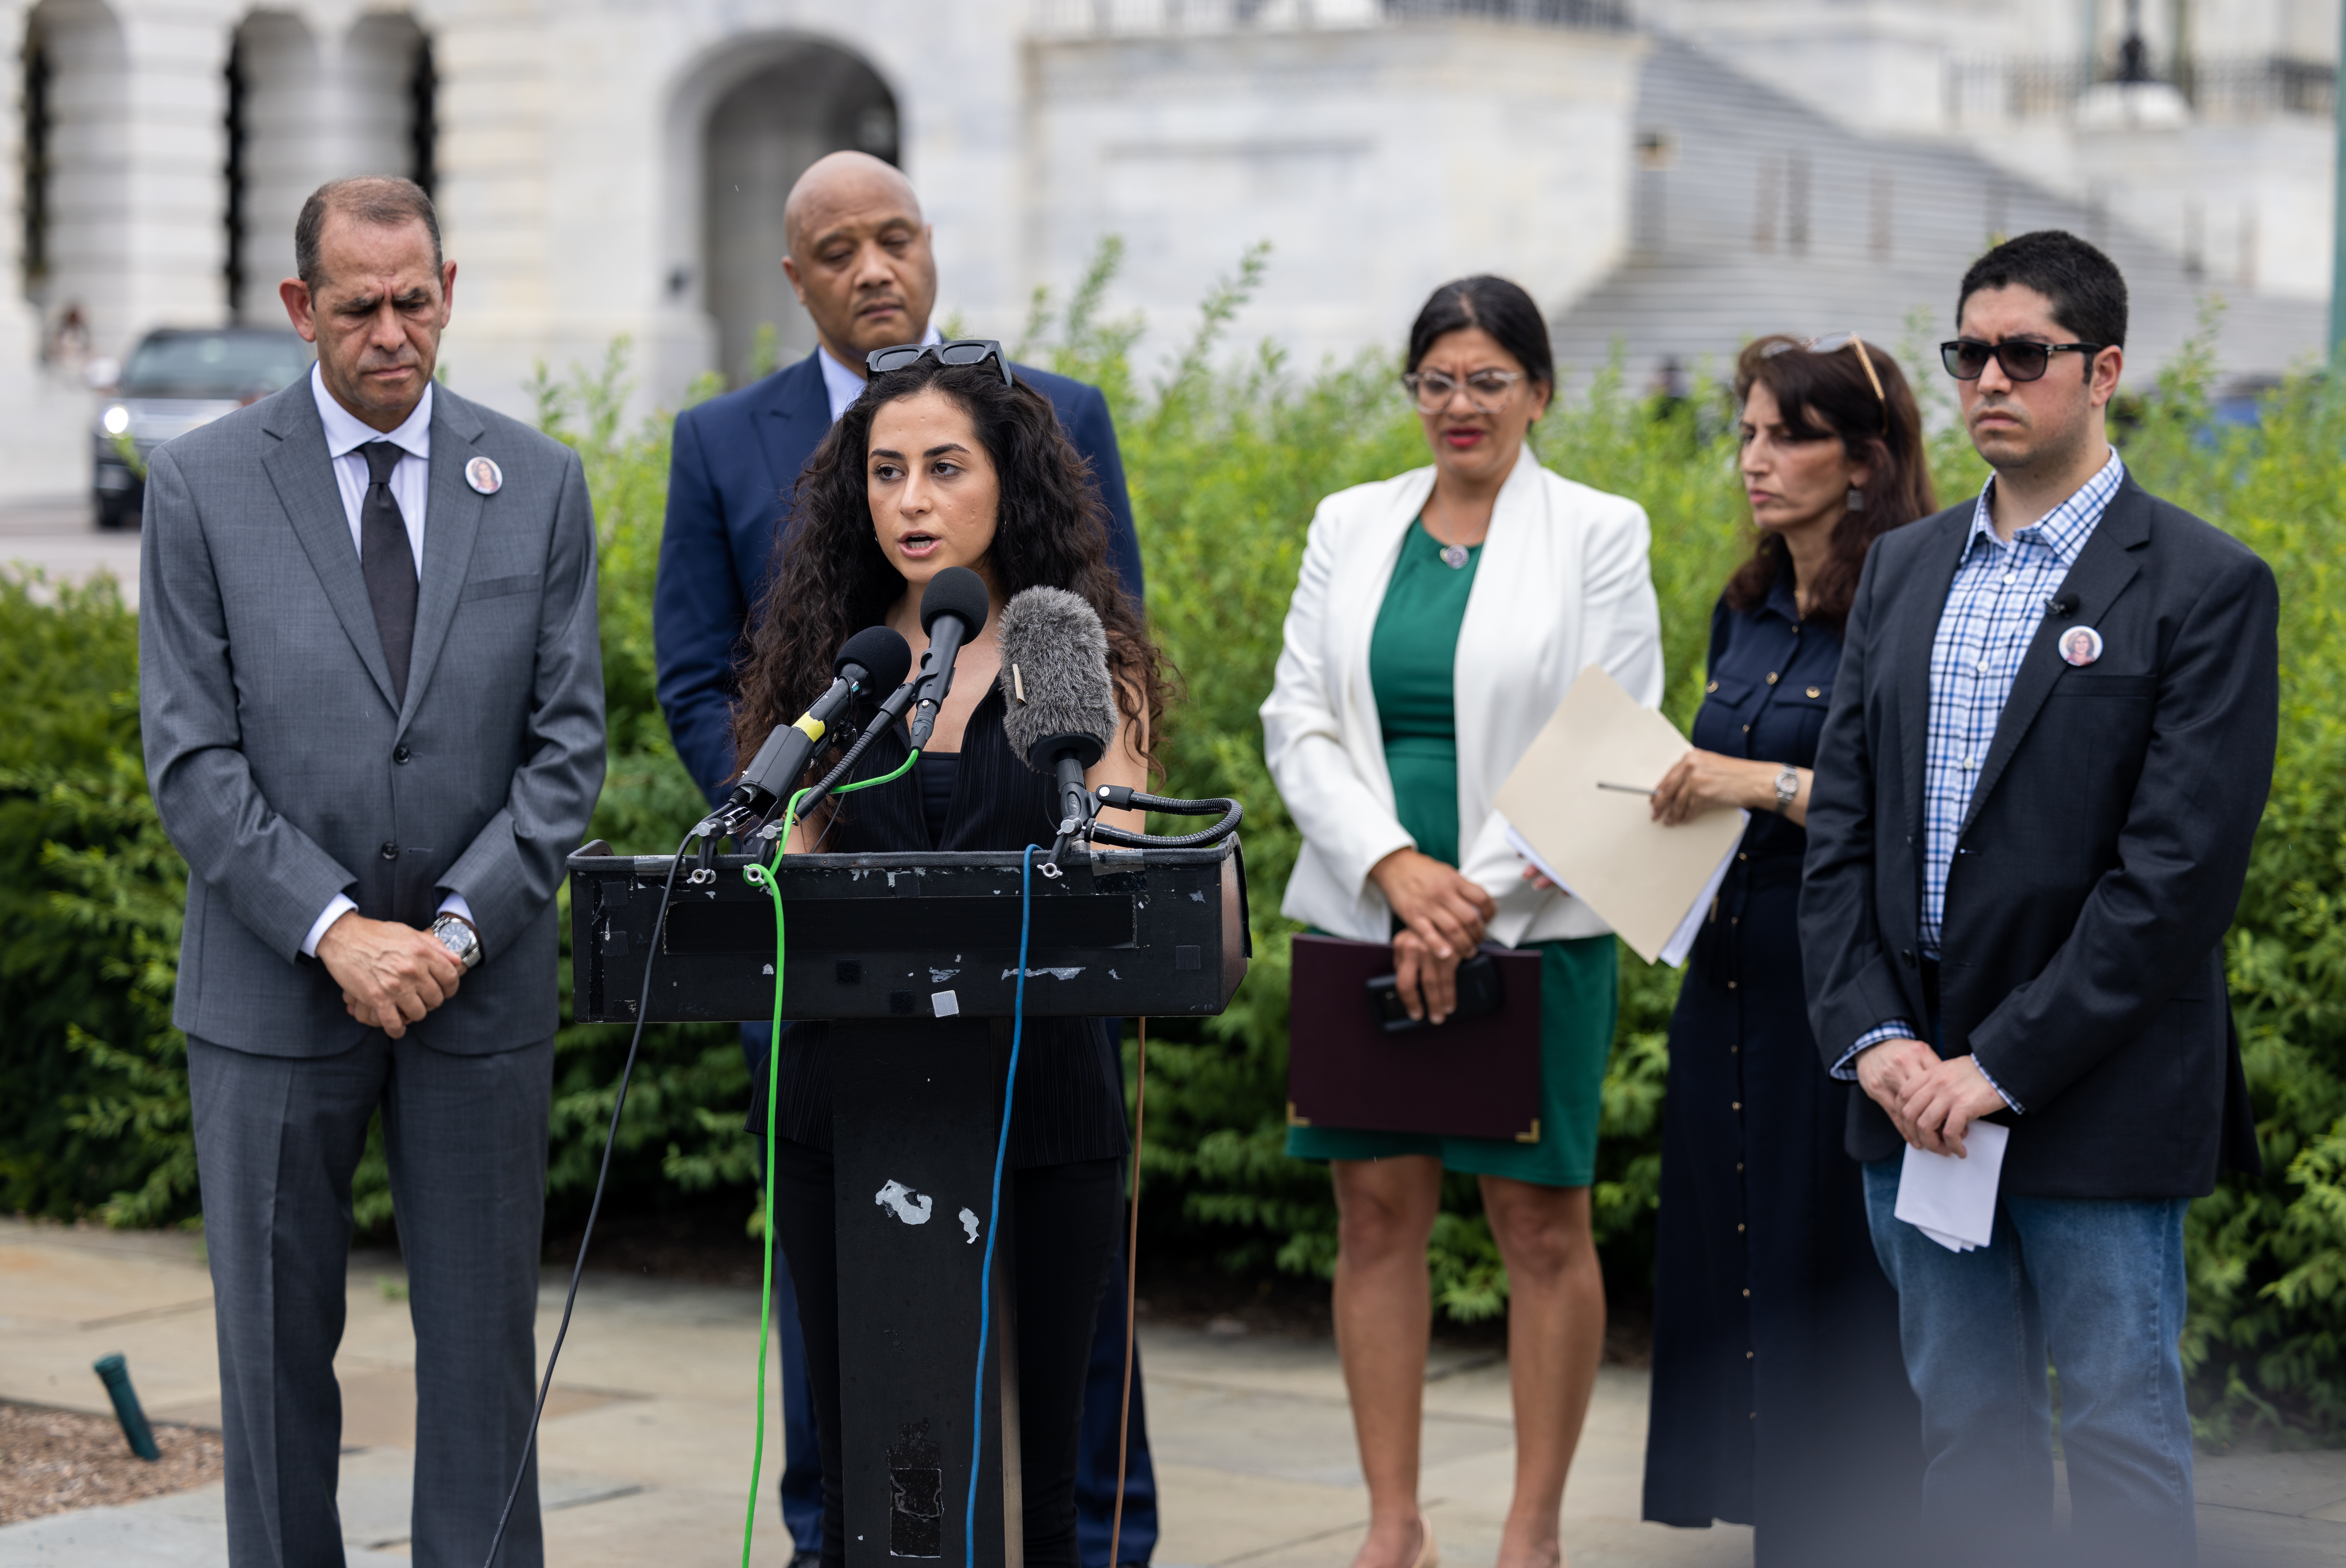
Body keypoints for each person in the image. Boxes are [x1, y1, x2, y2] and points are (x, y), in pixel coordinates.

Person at [651, 150, 1156, 1565]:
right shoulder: (839, 666)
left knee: (1051, 1454)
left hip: (1039, 1080)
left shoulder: (1070, 645)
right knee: (873, 1426)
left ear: (1009, 477)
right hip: (850, 1082)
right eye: (885, 472)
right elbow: (788, 865)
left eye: (944, 468)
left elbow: (1117, 852)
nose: (913, 499)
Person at [139, 177, 605, 1566]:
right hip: (273, 997)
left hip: (481, 990)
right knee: (275, 1362)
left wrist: (452, 933)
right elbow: (192, 758)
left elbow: (565, 748)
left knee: (480, 1355)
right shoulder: (201, 486)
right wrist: (338, 930)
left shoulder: (538, 482)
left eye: (416, 300)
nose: (392, 332)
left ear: (448, 289)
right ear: (301, 310)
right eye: (359, 307)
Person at [1800, 231, 2275, 1568]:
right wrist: (1879, 1043)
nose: (1987, 378)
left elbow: (2174, 880)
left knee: (2122, 1433)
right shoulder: (1900, 570)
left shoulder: (2204, 586)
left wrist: (1998, 1064)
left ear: (2103, 368)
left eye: (2024, 353)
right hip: (1908, 1097)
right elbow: (1838, 834)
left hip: (2095, 1091)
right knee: (1963, 1431)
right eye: (1967, 353)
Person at [1261, 275, 1664, 1568]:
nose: (1459, 404)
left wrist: (1469, 895)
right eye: (1435, 379)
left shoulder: (1598, 530)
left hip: (1534, 927)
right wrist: (1393, 870)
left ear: (1538, 393)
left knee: (1538, 1223)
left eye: (1488, 379)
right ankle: (1393, 1525)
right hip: (1361, 914)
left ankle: (1530, 1530)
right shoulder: (1348, 521)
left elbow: (1611, 734)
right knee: (1373, 1216)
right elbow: (1296, 719)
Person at [1634, 333, 1930, 1565]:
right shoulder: (1743, 603)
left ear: (1861, 462)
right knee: (1733, 1251)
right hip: (1726, 976)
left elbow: (1901, 803)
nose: (1752, 460)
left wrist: (1747, 780)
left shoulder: (1908, 599)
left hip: (1840, 985)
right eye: (1744, 433)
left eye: (1782, 436)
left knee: (1829, 1270)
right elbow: (1708, 787)